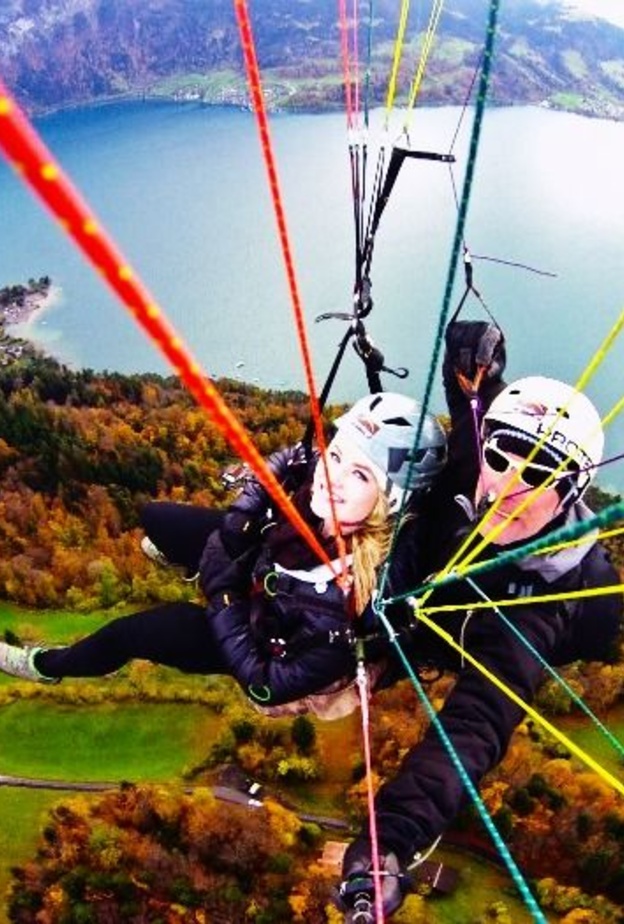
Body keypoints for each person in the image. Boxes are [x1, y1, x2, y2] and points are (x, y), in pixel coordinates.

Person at [338, 323, 623, 920]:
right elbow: (473, 406)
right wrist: (472, 354)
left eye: (542, 472)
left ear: (571, 494)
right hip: (423, 609)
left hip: (468, 638)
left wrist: (387, 840)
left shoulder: (542, 598)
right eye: (502, 456)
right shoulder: (478, 468)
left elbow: (474, 729)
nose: (512, 483)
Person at [0, 392, 447, 722]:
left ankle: (48, 666)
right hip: (261, 574)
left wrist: (222, 593)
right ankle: (199, 566)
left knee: (131, 634)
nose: (332, 476)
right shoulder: (329, 502)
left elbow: (266, 686)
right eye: (335, 455)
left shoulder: (344, 610)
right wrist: (258, 491)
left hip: (254, 637)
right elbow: (283, 473)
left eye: (359, 474)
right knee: (154, 517)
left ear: (390, 503)